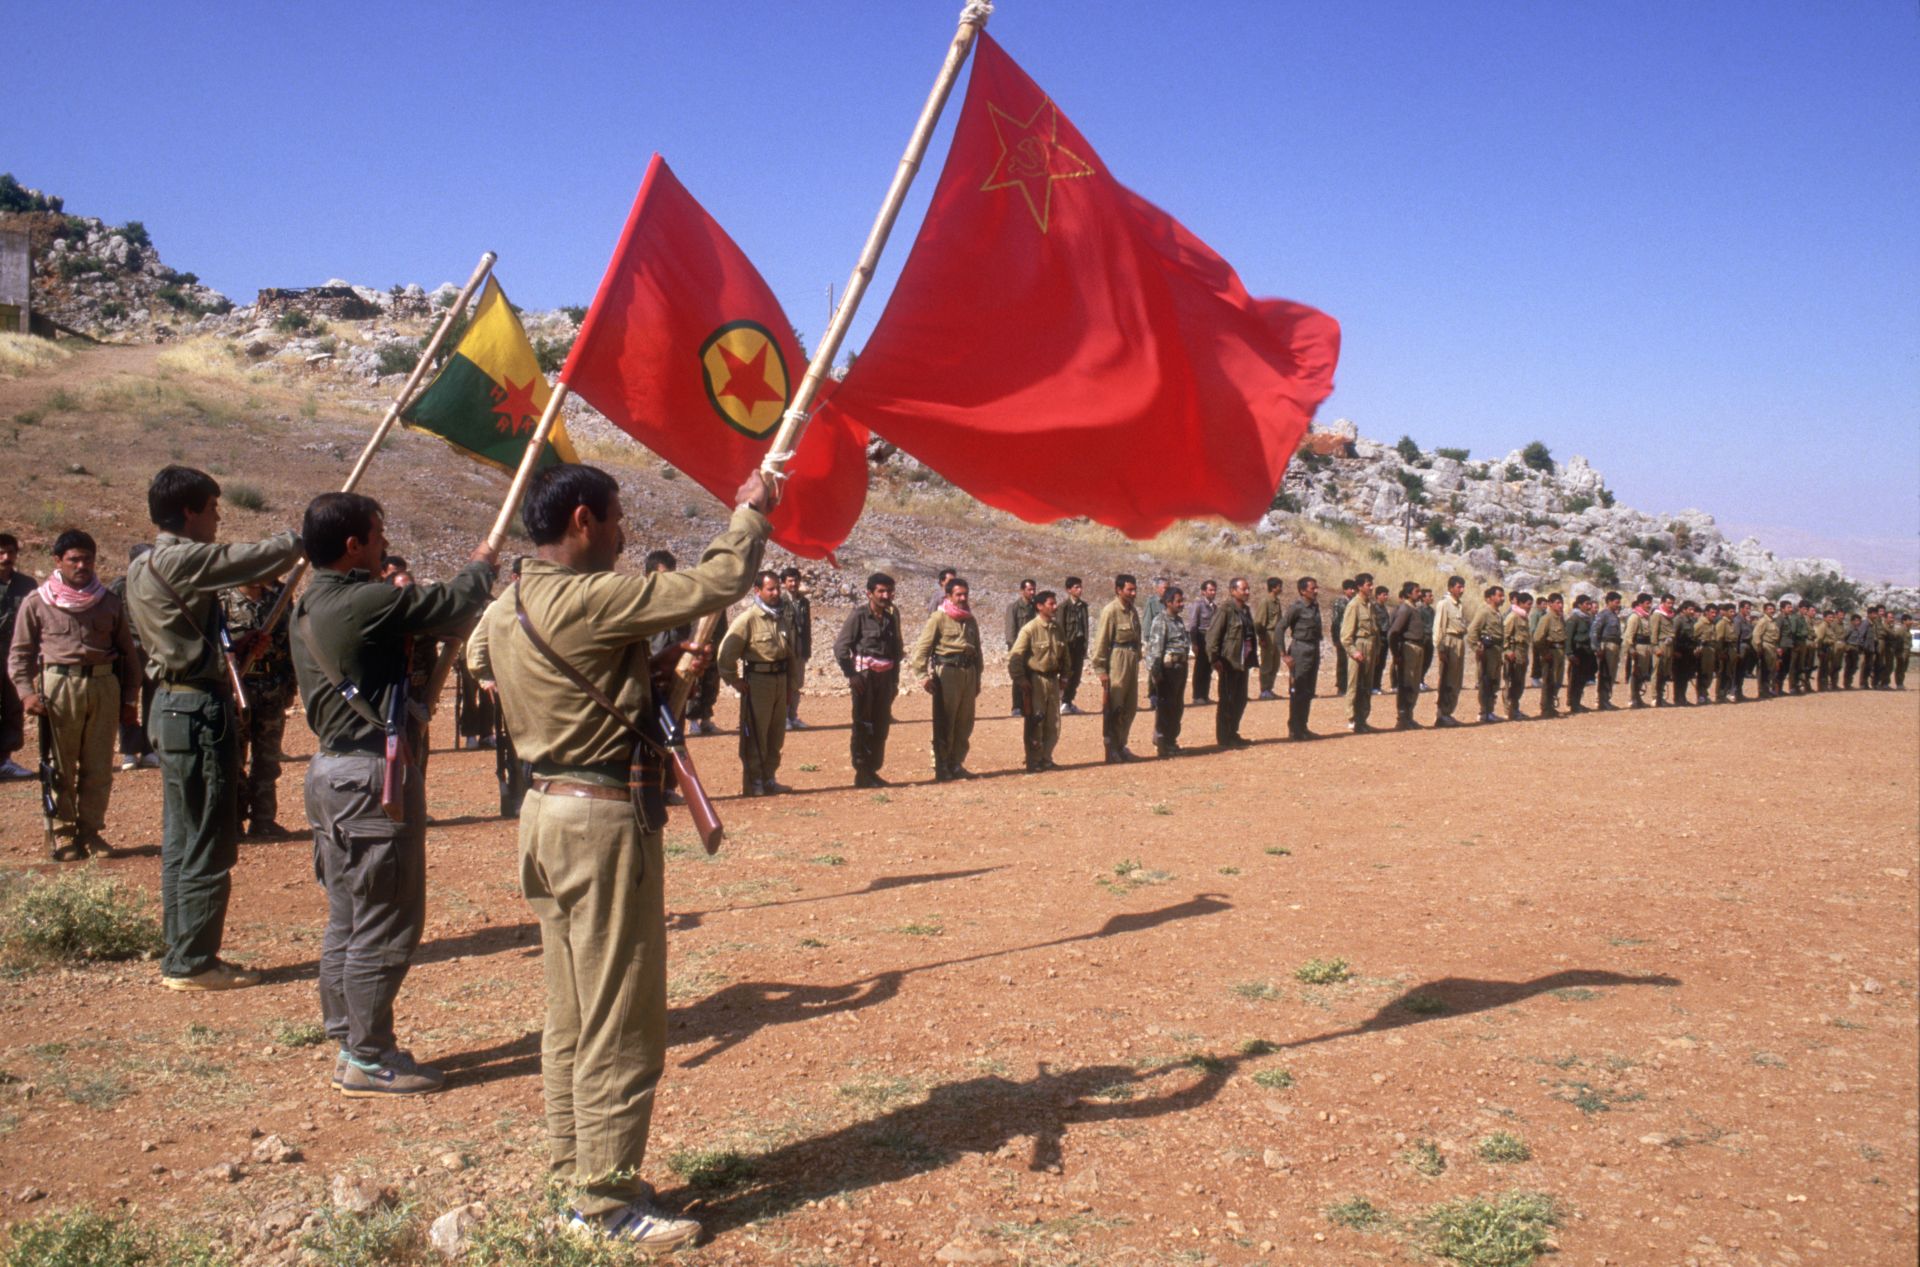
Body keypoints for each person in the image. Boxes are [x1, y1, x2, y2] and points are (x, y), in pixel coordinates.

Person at [476, 463, 773, 1248]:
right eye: (614, 518)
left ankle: (574, 1171)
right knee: (622, 1016)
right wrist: (750, 510)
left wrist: (618, 684)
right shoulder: (592, 596)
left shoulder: (507, 605)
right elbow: (721, 580)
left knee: (571, 1013)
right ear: (581, 519)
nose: (623, 532)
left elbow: (481, 664)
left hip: (543, 810)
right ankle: (603, 1203)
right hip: (601, 821)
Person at [291, 492, 495, 1096]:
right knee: (387, 917)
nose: (384, 544)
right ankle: (368, 1054)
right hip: (368, 782)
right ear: (353, 544)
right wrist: (482, 563)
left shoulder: (313, 602)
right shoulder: (362, 600)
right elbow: (453, 603)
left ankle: (348, 1038)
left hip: (332, 773)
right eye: (378, 534)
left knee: (350, 916)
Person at [126, 466, 304, 991]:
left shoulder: (143, 564)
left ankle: (181, 949)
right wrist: (303, 537)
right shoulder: (182, 558)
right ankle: (195, 961)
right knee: (208, 835)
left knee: (182, 838)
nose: (217, 519)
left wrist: (229, 654)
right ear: (189, 512)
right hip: (199, 711)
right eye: (212, 509)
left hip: (172, 704)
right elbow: (253, 559)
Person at [8, 530, 139, 859]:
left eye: (88, 559)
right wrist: (26, 693)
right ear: (58, 561)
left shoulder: (109, 601)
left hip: (103, 686)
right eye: (74, 559)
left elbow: (128, 654)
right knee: (60, 765)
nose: (82, 565)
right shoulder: (37, 601)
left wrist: (129, 700)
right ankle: (64, 833)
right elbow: (19, 654)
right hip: (59, 687)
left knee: (98, 764)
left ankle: (91, 832)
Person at [220, 574, 295, 837]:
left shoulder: (279, 603)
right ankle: (234, 819)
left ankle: (264, 819)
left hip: (271, 688)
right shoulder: (222, 601)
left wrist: (289, 687)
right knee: (233, 757)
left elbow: (291, 645)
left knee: (267, 759)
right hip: (237, 688)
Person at [717, 571, 801, 796]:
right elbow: (725, 654)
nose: (775, 593)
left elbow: (789, 653)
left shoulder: (781, 616)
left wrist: (791, 686)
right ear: (758, 591)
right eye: (770, 589)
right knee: (755, 734)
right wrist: (734, 680)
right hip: (758, 683)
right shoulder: (748, 619)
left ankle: (769, 778)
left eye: (777, 589)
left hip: (780, 682)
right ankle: (754, 782)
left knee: (776, 734)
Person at [909, 575, 983, 781]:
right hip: (947, 673)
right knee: (945, 721)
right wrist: (922, 676)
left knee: (964, 722)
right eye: (958, 594)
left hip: (968, 674)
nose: (962, 598)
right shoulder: (938, 618)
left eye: (966, 594)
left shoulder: (969, 619)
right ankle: (942, 766)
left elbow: (978, 650)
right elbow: (921, 650)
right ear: (948, 596)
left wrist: (977, 679)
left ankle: (956, 763)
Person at [642, 549, 721, 738]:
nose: (668, 583)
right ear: (647, 576)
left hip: (675, 681)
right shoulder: (639, 607)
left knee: (674, 737)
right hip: (646, 682)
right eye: (662, 577)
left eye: (672, 577)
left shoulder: (682, 606)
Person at [834, 572, 903, 788]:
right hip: (865, 678)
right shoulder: (859, 616)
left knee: (881, 724)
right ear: (869, 593)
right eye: (880, 591)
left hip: (885, 678)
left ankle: (873, 770)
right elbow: (840, 647)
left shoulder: (891, 618)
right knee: (864, 724)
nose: (885, 595)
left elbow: (896, 652)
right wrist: (851, 674)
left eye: (889, 591)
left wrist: (894, 682)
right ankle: (862, 772)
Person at [108, 544, 162, 771]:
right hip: (128, 651)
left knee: (154, 699)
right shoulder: (119, 587)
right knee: (127, 700)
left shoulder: (159, 585)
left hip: (154, 650)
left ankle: (150, 749)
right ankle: (130, 751)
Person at [1008, 588, 1067, 770]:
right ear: (1040, 606)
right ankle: (1034, 759)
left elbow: (1065, 654)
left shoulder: (1057, 628)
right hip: (1036, 681)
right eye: (1051, 604)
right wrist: (1021, 680)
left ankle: (1046, 758)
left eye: (1055, 603)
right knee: (1036, 721)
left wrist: (1065, 675)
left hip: (1053, 680)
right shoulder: (1030, 629)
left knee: (1054, 722)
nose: (1055, 607)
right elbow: (1015, 656)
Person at [1090, 574, 1143, 763]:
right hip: (1116, 660)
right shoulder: (1111, 611)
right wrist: (1101, 670)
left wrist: (1138, 656)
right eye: (1129, 589)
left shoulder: (1132, 611)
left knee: (1130, 707)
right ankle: (1112, 747)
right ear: (1118, 590)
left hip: (1131, 660)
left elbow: (1137, 636)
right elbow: (1101, 642)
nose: (1133, 593)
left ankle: (1122, 745)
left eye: (1134, 589)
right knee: (1115, 706)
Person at [0, 531, 38, 781]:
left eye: (11, 552)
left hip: (14, 655)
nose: (6, 557)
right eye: (1, 552)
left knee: (12, 705)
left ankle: (4, 760)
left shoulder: (27, 585)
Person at [1207, 577, 1257, 748]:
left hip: (1243, 663)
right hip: (1229, 663)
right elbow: (1213, 636)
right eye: (1244, 589)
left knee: (1240, 699)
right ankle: (1224, 738)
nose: (1247, 592)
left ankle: (1233, 733)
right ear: (1233, 591)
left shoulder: (1246, 611)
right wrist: (1214, 659)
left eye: (1248, 589)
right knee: (1227, 701)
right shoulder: (1225, 610)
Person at [1144, 585, 1190, 756]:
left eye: (1182, 601)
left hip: (1180, 669)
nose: (1181, 604)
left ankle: (1171, 741)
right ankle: (1163, 743)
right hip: (1167, 672)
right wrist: (1156, 674)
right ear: (1168, 602)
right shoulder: (1160, 621)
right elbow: (1155, 650)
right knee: (1166, 707)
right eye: (1178, 601)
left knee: (1177, 707)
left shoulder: (1178, 621)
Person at [1280, 576, 1322, 738]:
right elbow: (1280, 628)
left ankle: (1303, 726)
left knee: (1309, 690)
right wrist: (1284, 654)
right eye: (1313, 589)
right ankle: (1295, 728)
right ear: (1303, 591)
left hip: (1313, 649)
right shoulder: (1296, 607)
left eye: (1316, 588)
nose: (1316, 591)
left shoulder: (1314, 606)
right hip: (1300, 650)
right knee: (1298, 690)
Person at [1338, 573, 1379, 733]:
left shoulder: (1370, 605)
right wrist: (1353, 652)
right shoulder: (1354, 605)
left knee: (1367, 685)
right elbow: (1346, 635)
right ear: (1360, 587)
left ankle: (1363, 718)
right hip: (1359, 646)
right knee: (1355, 684)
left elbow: (1375, 630)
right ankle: (1352, 718)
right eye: (1369, 584)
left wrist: (1376, 652)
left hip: (1370, 647)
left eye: (1371, 584)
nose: (1372, 587)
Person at [778, 566, 812, 729]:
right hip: (785, 649)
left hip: (799, 648)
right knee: (785, 685)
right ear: (783, 583)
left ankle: (793, 716)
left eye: (796, 580)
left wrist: (807, 650)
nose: (794, 583)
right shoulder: (779, 602)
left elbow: (807, 628)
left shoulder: (804, 602)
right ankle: (783, 717)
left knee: (797, 683)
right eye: (790, 580)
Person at [1385, 581, 1421, 730]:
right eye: (1416, 592)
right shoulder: (1405, 609)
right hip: (1408, 648)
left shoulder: (1414, 609)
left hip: (1417, 648)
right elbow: (1393, 632)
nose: (1419, 594)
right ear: (1408, 594)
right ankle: (1403, 718)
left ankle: (1409, 716)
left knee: (1414, 683)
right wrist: (1396, 653)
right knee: (1406, 683)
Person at [1467, 585, 1506, 723]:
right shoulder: (1484, 612)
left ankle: (1490, 710)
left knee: (1494, 682)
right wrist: (1477, 648)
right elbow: (1472, 631)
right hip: (1488, 652)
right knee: (1486, 682)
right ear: (1490, 598)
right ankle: (1484, 712)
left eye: (1502, 595)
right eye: (1499, 595)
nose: (1502, 598)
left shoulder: (1498, 614)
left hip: (1496, 651)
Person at [1432, 575, 1467, 725]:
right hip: (1449, 641)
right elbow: (1439, 627)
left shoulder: (1459, 605)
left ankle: (1449, 711)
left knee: (1456, 680)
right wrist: (1440, 649)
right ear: (1450, 588)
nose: (1462, 590)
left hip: (1459, 641)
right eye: (1459, 587)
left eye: (1463, 587)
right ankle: (1442, 713)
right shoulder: (1444, 604)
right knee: (1447, 678)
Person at [1003, 578, 1037, 717]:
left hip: (1033, 649)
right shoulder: (1014, 607)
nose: (1032, 592)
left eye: (1034, 589)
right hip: (1019, 649)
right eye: (1029, 589)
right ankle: (1016, 706)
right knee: (1018, 678)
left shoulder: (1036, 607)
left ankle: (1029, 705)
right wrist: (1014, 649)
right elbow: (1010, 630)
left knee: (1032, 677)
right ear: (1022, 591)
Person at [1058, 576, 1089, 716]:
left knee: (1076, 676)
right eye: (1076, 587)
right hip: (1068, 647)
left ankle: (1068, 702)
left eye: (1080, 587)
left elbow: (1085, 627)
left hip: (1079, 646)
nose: (1080, 590)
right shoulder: (1063, 607)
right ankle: (1062, 702)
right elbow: (1060, 629)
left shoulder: (1083, 606)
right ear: (1069, 590)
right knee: (1066, 675)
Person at [1532, 592, 1567, 718]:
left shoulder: (1560, 618)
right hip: (1551, 653)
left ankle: (1552, 706)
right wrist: (1544, 653)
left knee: (1558, 681)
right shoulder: (1546, 619)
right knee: (1548, 681)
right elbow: (1537, 638)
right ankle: (1546, 708)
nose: (1560, 605)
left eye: (1561, 602)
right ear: (1550, 604)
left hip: (1560, 652)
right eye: (1557, 603)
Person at [1501, 591, 1533, 721]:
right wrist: (1507, 651)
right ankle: (1509, 710)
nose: (1530, 607)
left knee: (1519, 683)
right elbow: (1504, 635)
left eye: (1531, 604)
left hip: (1522, 653)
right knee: (1511, 682)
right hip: (1514, 654)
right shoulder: (1512, 617)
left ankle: (1515, 708)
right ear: (1520, 604)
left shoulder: (1524, 618)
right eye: (1528, 604)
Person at [1186, 579, 1218, 703]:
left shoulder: (1214, 607)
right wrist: (1193, 643)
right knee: (1200, 668)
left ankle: (1205, 695)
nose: (1213, 592)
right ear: (1203, 592)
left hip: (1211, 640)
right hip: (1200, 638)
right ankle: (1197, 696)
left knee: (1208, 667)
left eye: (1214, 590)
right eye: (1210, 590)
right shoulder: (1198, 605)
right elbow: (1193, 625)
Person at [1590, 591, 1623, 710]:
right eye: (1616, 602)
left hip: (1614, 646)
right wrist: (1597, 648)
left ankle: (1606, 699)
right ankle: (1601, 700)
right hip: (1606, 646)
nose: (1618, 605)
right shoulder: (1603, 614)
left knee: (1611, 674)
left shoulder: (1614, 615)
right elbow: (1594, 632)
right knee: (1604, 673)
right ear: (1609, 602)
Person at [1253, 577, 1284, 700]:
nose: (1281, 589)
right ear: (1273, 587)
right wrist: (1262, 637)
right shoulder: (1265, 602)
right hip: (1268, 634)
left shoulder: (1277, 601)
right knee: (1267, 663)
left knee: (1275, 663)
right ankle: (1264, 690)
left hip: (1277, 635)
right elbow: (1258, 622)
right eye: (1279, 586)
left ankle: (1269, 689)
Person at [1566, 594, 1597, 713]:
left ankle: (1577, 702)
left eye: (1590, 604)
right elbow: (1568, 637)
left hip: (1586, 652)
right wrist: (1570, 654)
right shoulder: (1574, 619)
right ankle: (1573, 704)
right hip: (1577, 652)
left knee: (1582, 679)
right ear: (1579, 605)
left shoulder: (1587, 618)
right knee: (1575, 679)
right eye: (1586, 604)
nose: (1589, 606)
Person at [1622, 593, 1654, 708]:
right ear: (1640, 604)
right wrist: (1631, 650)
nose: (1649, 605)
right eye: (1647, 603)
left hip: (1646, 647)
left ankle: (1638, 697)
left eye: (1650, 603)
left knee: (1642, 674)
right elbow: (1628, 635)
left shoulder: (1647, 616)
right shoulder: (1635, 617)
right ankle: (1632, 698)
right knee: (1635, 673)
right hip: (1638, 647)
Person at [1141, 577, 1168, 708]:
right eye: (1164, 588)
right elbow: (1147, 622)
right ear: (1157, 589)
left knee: (1165, 669)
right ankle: (1153, 696)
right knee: (1154, 669)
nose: (1167, 591)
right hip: (1154, 642)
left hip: (1166, 643)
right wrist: (1146, 641)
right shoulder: (1152, 603)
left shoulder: (1169, 602)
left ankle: (1163, 695)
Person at [1649, 594, 1678, 706]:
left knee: (1666, 672)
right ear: (1663, 602)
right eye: (1668, 603)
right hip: (1661, 644)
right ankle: (1655, 697)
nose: (1671, 605)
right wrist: (1655, 647)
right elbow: (1654, 632)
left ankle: (1661, 695)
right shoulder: (1657, 615)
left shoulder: (1671, 615)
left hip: (1669, 645)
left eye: (1672, 603)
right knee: (1657, 672)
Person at [1330, 579, 1355, 698]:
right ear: (1345, 590)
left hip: (1353, 636)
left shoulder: (1355, 601)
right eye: (1350, 589)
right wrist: (1336, 639)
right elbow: (1335, 621)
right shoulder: (1340, 602)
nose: (1353, 591)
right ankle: (1341, 687)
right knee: (1342, 662)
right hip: (1342, 636)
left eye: (1354, 588)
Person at [1750, 601, 1780, 699]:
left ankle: (1767, 690)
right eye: (1769, 609)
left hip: (1773, 647)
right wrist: (1759, 648)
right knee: (1764, 670)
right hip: (1766, 646)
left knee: (1771, 670)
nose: (1772, 611)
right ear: (1765, 610)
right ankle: (1762, 691)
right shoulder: (1763, 621)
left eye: (1773, 609)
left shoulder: (1772, 621)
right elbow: (1756, 634)